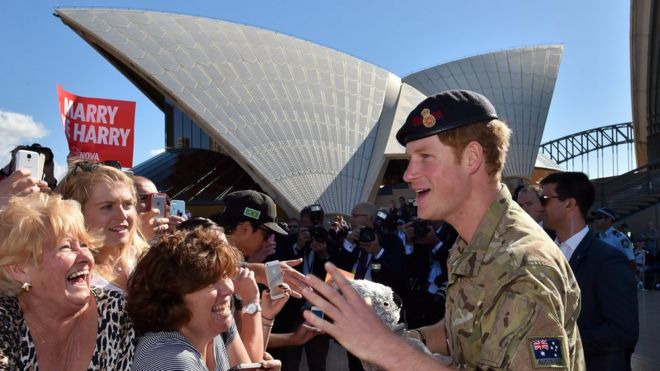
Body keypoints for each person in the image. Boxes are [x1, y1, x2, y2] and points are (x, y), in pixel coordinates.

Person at [300, 89, 584, 370]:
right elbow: (459, 331)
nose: (409, 174)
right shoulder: (471, 244)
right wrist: (394, 339)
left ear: (472, 158)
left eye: (424, 157)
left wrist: (390, 351)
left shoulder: (523, 265)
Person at [0, 193, 135, 370]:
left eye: (85, 245)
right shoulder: (6, 320)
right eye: (66, 247)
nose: (86, 257)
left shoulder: (116, 312)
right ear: (20, 270)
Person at [127, 226, 283, 371]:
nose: (229, 288)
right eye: (210, 283)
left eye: (225, 276)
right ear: (172, 296)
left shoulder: (210, 330)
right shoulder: (170, 359)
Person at [540, 172, 638, 370]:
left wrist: (557, 344)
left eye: (545, 199)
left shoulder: (607, 260)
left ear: (570, 204)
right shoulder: (545, 253)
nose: (541, 207)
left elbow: (622, 331)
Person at [56, 160, 149, 292]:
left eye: (128, 204)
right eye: (107, 207)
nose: (122, 215)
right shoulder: (67, 278)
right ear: (77, 214)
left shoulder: (148, 260)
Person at [133, 175, 184, 242]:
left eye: (156, 199)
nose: (152, 206)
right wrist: (141, 237)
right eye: (143, 198)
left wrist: (176, 236)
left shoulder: (165, 233)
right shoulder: (117, 235)